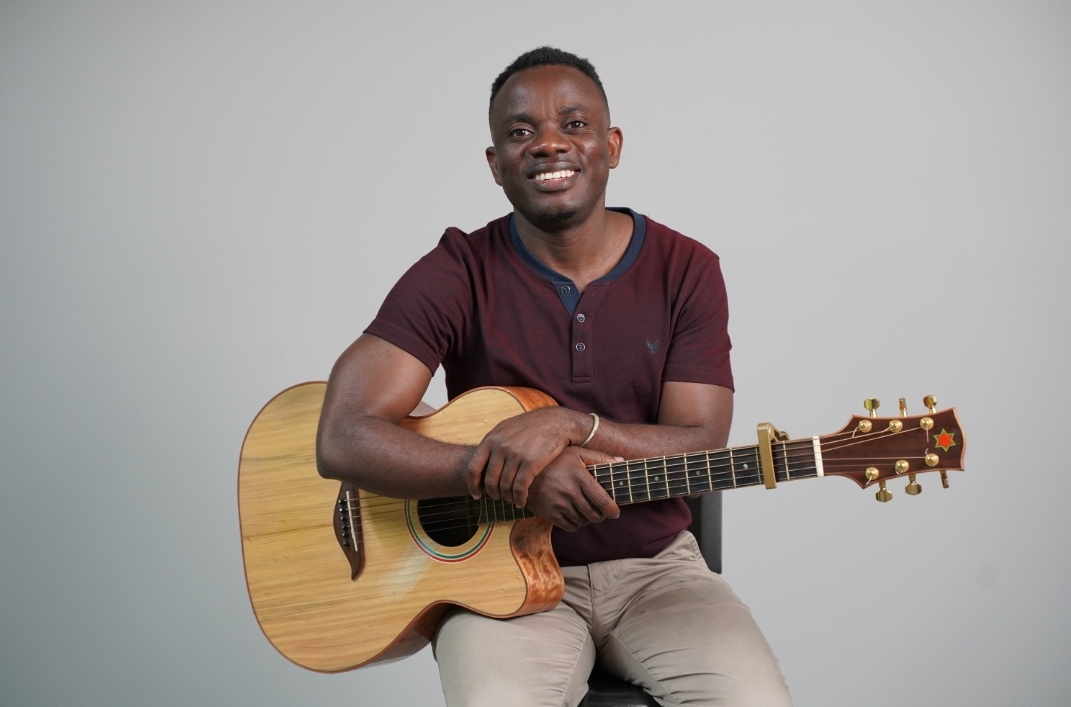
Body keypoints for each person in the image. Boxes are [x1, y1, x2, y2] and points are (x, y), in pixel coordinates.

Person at [316, 47, 792, 707]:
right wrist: (504, 474)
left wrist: (570, 426)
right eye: (521, 132)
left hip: (657, 574)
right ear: (495, 164)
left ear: (611, 146)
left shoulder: (686, 268)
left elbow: (700, 440)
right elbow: (342, 436)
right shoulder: (458, 269)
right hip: (496, 583)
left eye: (574, 124)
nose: (548, 143)